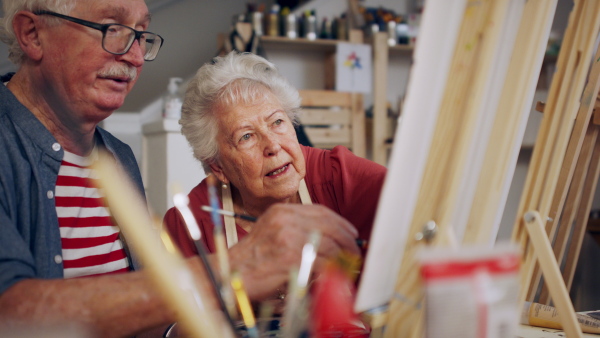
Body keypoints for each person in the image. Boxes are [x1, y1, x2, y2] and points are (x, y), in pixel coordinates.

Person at [0, 1, 361, 336]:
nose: (136, 56)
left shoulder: (117, 157)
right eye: (112, 28)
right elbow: (9, 313)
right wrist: (233, 270)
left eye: (141, 35)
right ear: (32, 33)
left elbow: (137, 311)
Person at [163, 52, 386, 268]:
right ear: (217, 166)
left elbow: (411, 200)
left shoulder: (337, 175)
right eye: (246, 137)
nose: (273, 146)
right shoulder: (189, 224)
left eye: (277, 122)